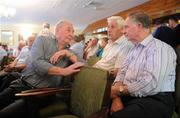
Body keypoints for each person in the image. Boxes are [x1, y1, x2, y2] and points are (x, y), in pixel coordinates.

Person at [0, 20, 84, 118]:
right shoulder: (42, 40)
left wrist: (67, 53)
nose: (72, 34)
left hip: (41, 94)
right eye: (68, 30)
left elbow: (84, 65)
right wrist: (63, 71)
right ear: (57, 32)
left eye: (73, 32)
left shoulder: (70, 53)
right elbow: (37, 64)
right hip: (22, 84)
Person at [110, 11, 176, 118]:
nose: (123, 31)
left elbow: (150, 84)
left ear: (139, 26)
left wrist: (119, 91)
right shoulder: (133, 49)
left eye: (126, 27)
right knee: (98, 103)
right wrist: (116, 97)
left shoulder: (160, 48)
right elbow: (122, 72)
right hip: (129, 94)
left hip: (155, 99)